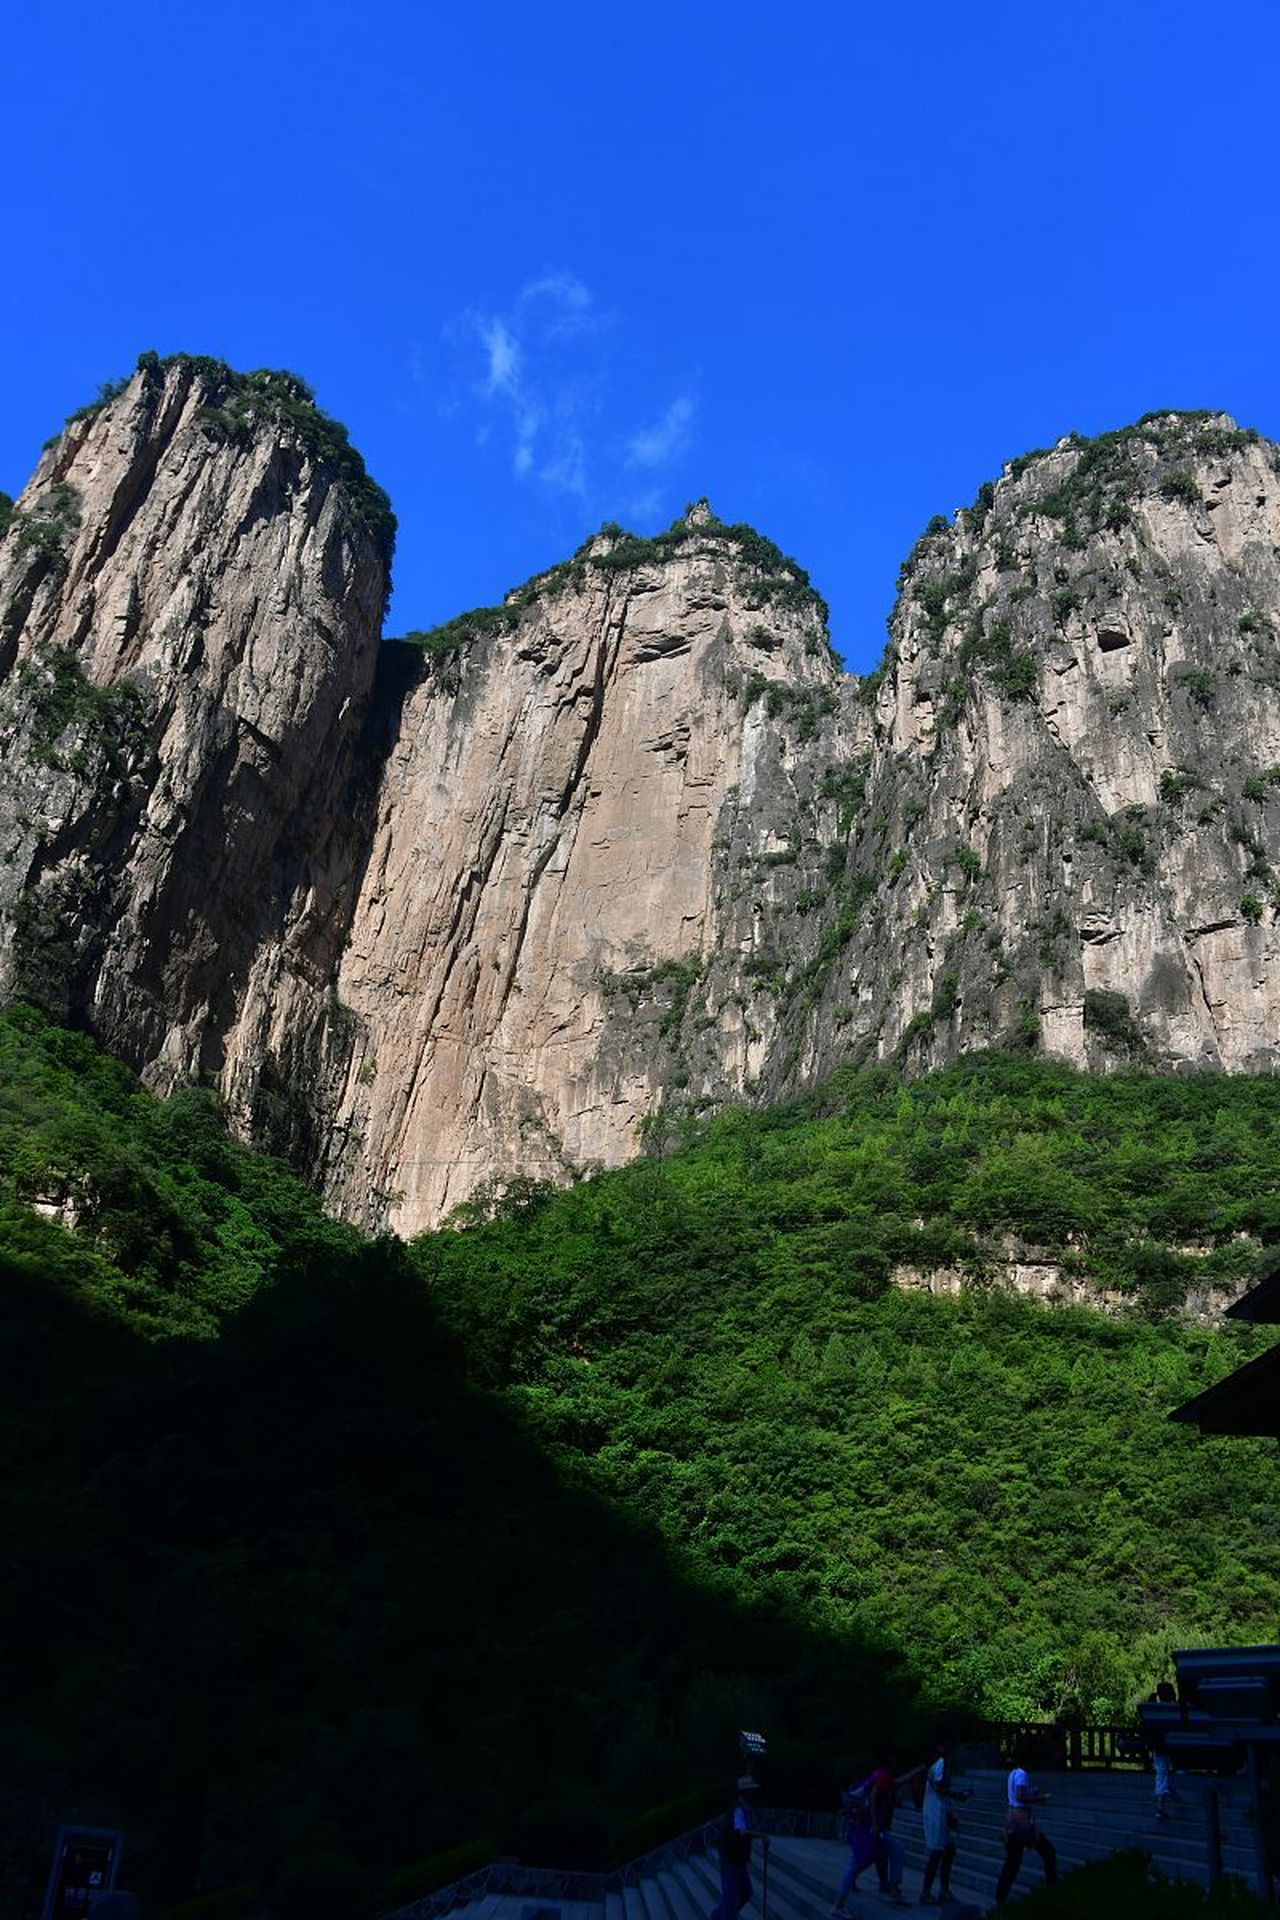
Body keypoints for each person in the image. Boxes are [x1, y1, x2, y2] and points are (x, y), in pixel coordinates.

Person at [994, 1762, 1057, 1905]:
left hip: (1012, 1821)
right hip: (1021, 1822)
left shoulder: (1014, 1773)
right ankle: (1052, 1885)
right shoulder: (1022, 1774)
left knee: (1012, 1863)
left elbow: (1017, 1796)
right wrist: (1039, 1799)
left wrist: (1031, 1793)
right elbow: (1020, 1796)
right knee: (1048, 1851)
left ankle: (1000, 1898)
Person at [919, 1741, 967, 1907]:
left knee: (949, 1849)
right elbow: (939, 1788)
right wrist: (957, 1795)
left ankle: (943, 1891)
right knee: (937, 1852)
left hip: (940, 1810)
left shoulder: (942, 1764)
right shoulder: (941, 1763)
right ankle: (926, 1892)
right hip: (935, 1812)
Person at [713, 1776, 756, 1920]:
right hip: (733, 1859)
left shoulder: (743, 1809)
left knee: (746, 1891)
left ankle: (723, 1915)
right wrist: (760, 1835)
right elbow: (740, 1831)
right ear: (745, 1793)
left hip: (737, 1859)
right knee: (731, 1895)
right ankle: (724, 1916)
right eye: (751, 1792)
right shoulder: (738, 1810)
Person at [1151, 1680, 1180, 1820]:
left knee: (1161, 1773)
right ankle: (1165, 1798)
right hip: (1174, 1745)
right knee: (1169, 1771)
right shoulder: (1175, 1710)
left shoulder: (1152, 1710)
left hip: (1158, 1746)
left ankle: (1161, 1803)